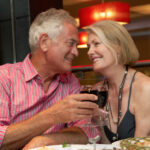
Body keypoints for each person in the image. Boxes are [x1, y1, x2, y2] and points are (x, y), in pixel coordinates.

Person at [0, 8, 100, 150]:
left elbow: (88, 132)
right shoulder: (4, 78)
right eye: (70, 43)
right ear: (44, 42)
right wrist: (52, 116)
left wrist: (43, 141)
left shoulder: (70, 82)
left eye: (76, 45)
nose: (76, 52)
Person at [86, 20, 150, 143]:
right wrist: (98, 121)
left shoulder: (145, 88)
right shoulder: (98, 90)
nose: (89, 52)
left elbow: (140, 146)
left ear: (118, 47)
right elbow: (107, 145)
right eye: (89, 46)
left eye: (96, 44)